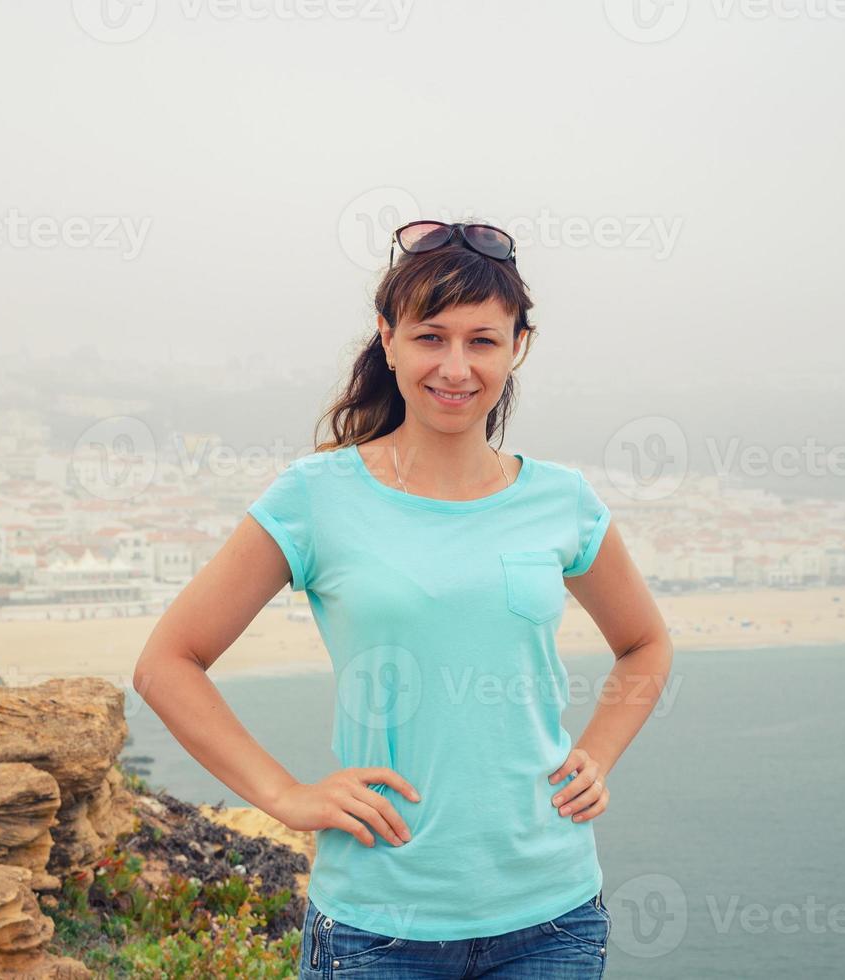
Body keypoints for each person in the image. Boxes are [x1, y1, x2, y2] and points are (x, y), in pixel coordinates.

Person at [133, 219, 673, 978]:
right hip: (375, 930)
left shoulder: (562, 500)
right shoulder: (316, 498)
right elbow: (168, 663)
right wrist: (284, 795)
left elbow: (645, 644)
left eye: (482, 340)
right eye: (431, 337)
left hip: (553, 919)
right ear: (387, 340)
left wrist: (599, 754)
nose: (456, 366)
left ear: (519, 346)